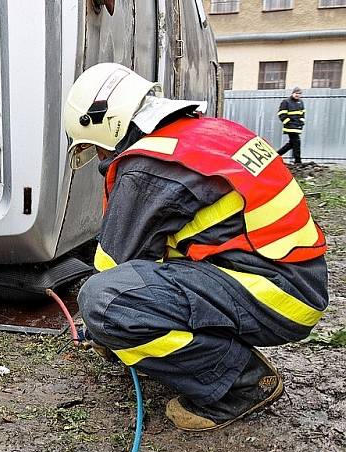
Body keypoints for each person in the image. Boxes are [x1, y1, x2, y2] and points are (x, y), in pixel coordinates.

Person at [63, 63, 328, 431]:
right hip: (293, 281)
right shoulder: (206, 133)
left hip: (272, 290)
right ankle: (221, 359)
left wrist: (103, 329)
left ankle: (241, 382)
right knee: (123, 299)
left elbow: (115, 268)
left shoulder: (149, 166)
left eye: (97, 148)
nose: (102, 159)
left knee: (104, 302)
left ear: (109, 126)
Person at [277, 87, 305, 166]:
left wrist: (301, 122)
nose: (297, 95)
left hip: (297, 127)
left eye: (299, 94)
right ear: (292, 93)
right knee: (297, 142)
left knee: (292, 144)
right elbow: (281, 114)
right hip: (290, 127)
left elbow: (302, 114)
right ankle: (298, 161)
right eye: (296, 93)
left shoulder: (301, 102)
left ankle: (276, 156)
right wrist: (288, 122)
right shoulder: (286, 102)